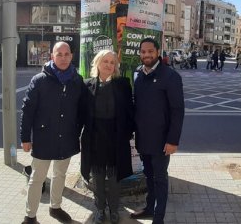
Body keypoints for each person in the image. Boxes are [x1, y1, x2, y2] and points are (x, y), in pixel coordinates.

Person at [20, 41, 87, 224]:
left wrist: (77, 132)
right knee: (37, 178)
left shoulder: (77, 80)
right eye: (59, 54)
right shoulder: (40, 80)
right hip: (44, 138)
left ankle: (55, 207)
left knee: (60, 175)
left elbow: (81, 110)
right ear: (52, 57)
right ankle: (30, 216)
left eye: (67, 54)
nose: (63, 58)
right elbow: (28, 110)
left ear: (72, 56)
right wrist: (25, 138)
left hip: (67, 137)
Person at [131, 38, 184, 224]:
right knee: (149, 176)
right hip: (143, 139)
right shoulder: (137, 74)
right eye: (143, 51)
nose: (146, 55)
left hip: (162, 142)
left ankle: (158, 218)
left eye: (150, 51)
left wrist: (173, 141)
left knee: (160, 179)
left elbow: (178, 111)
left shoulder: (170, 76)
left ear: (157, 52)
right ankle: (149, 208)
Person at [81, 50, 134, 224]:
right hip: (95, 140)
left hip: (115, 140)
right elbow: (80, 115)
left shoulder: (123, 84)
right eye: (106, 61)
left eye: (113, 62)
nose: (109, 65)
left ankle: (113, 209)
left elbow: (129, 113)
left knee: (114, 179)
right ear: (97, 63)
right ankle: (100, 210)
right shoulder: (87, 84)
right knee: (97, 178)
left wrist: (127, 134)